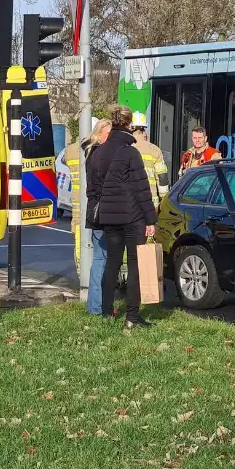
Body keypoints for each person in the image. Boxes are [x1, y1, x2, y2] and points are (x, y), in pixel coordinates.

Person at [86, 106, 157, 328]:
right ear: (128, 125)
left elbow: (93, 189)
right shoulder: (130, 152)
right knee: (135, 265)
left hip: (109, 218)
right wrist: (150, 220)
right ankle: (132, 318)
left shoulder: (98, 152)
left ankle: (107, 312)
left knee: (112, 263)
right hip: (132, 216)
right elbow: (141, 189)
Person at [61, 118, 112, 315]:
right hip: (100, 210)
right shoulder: (101, 152)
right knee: (102, 257)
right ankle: (98, 303)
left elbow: (64, 161)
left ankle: (91, 299)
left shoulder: (75, 149)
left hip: (81, 207)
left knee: (91, 254)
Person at [130, 112, 169, 210]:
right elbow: (162, 177)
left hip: (129, 202)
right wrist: (164, 199)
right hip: (151, 201)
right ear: (144, 129)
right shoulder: (154, 150)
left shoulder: (125, 148)